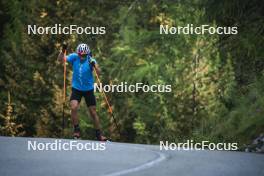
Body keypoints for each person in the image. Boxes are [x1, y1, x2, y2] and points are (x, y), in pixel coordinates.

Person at [57, 43, 107, 141]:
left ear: (87, 53)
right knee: (73, 107)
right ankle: (77, 131)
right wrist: (63, 51)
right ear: (78, 53)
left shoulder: (90, 60)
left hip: (88, 90)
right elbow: (60, 60)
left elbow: (99, 73)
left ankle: (99, 135)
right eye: (80, 54)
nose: (82, 56)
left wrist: (95, 66)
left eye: (84, 55)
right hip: (77, 89)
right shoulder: (74, 57)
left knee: (93, 112)